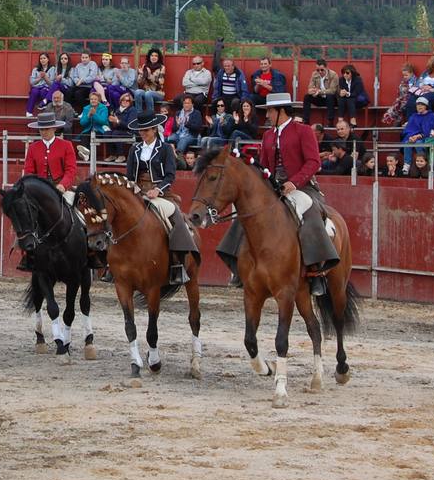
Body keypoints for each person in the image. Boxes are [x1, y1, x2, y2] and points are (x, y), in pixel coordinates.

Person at [215, 92, 340, 296]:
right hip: (274, 187)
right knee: (247, 214)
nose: (267, 115)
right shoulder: (268, 135)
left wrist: (294, 182)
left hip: (302, 186)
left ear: (281, 111)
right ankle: (237, 264)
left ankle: (317, 272)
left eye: (270, 111)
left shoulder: (303, 130)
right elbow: (264, 165)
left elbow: (314, 162)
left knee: (310, 215)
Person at [124, 112, 199, 285]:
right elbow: (129, 175)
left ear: (154, 130)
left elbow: (170, 176)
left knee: (176, 219)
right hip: (137, 192)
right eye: (141, 131)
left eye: (146, 130)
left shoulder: (165, 149)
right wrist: (132, 186)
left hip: (160, 193)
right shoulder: (134, 149)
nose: (143, 133)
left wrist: (157, 190)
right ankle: (114, 265)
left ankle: (178, 264)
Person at [16, 109, 79, 272]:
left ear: (54, 129)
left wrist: (62, 186)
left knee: (79, 212)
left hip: (61, 188)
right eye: (41, 129)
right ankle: (28, 254)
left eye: (47, 129)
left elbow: (71, 170)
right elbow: (29, 171)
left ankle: (87, 251)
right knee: (26, 217)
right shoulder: (33, 148)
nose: (44, 132)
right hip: (40, 192)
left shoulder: (66, 145)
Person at [302, 58, 340, 125]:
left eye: (322, 70)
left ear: (326, 68)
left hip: (332, 100)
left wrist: (319, 91)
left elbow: (332, 91)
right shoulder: (314, 74)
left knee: (330, 96)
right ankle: (306, 120)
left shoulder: (333, 75)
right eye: (318, 70)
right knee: (307, 97)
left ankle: (330, 121)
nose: (320, 72)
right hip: (320, 98)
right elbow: (310, 87)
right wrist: (312, 91)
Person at [402, 99, 434, 164]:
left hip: (426, 137)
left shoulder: (431, 115)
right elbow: (409, 129)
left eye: (422, 104)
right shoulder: (413, 116)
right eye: (418, 104)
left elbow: (428, 130)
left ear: (426, 106)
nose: (419, 106)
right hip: (413, 137)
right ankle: (407, 165)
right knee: (407, 142)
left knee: (418, 143)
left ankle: (423, 163)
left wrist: (418, 136)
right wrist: (410, 137)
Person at [135, 48, 165, 112]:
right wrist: (141, 74)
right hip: (146, 91)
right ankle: (139, 114)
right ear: (149, 57)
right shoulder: (145, 66)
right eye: (152, 55)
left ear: (158, 58)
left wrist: (149, 76)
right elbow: (139, 82)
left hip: (158, 93)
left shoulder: (162, 67)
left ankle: (150, 115)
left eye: (156, 56)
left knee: (148, 94)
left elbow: (161, 83)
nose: (153, 57)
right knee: (137, 92)